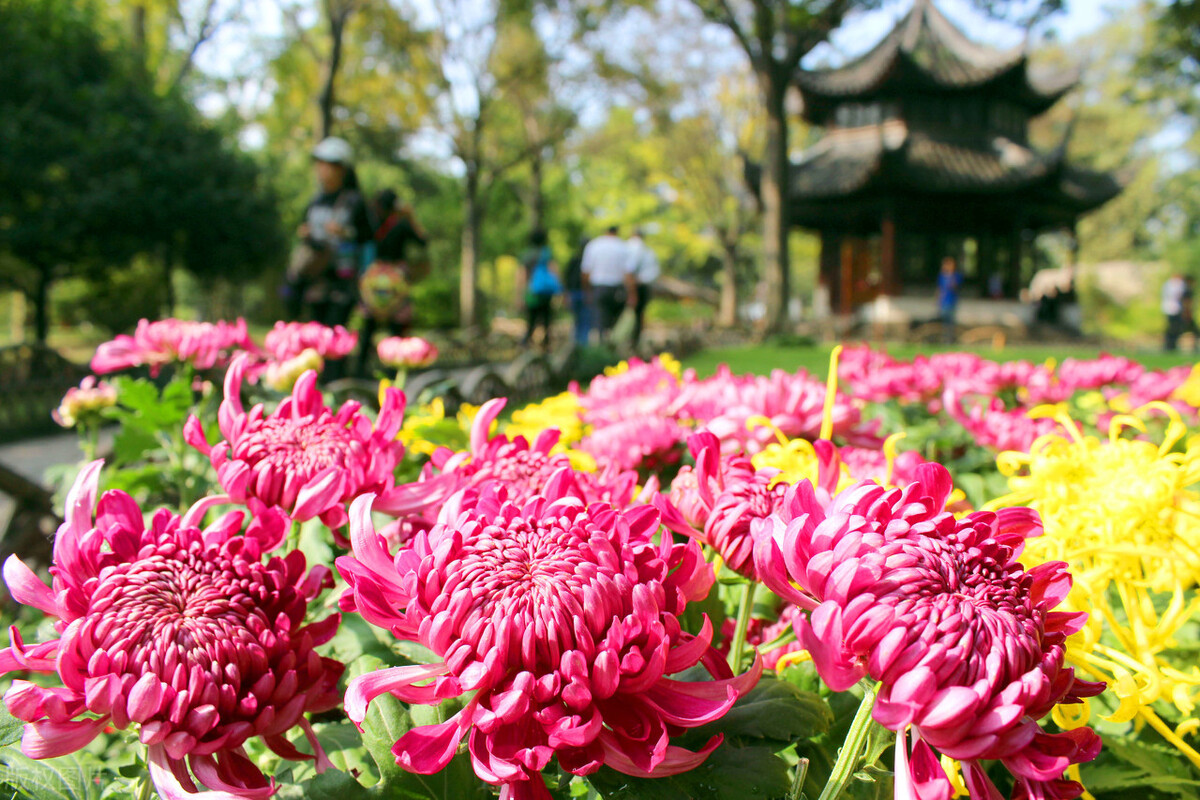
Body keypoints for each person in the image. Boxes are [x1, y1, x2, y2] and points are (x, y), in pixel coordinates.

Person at [290, 137, 374, 327]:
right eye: (319, 164)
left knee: (336, 336)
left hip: (343, 281)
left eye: (327, 164)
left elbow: (369, 235)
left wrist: (346, 232)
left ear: (341, 169)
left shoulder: (355, 201)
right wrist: (306, 234)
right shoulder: (315, 200)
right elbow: (305, 227)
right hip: (316, 280)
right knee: (315, 335)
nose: (321, 169)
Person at [355, 189, 429, 375]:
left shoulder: (371, 222)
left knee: (369, 326)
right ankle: (394, 370)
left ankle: (360, 369)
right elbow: (423, 241)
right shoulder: (402, 224)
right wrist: (410, 216)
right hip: (396, 279)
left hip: (373, 277)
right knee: (396, 328)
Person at [581, 226, 635, 345]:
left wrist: (587, 291)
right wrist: (632, 294)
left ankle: (601, 345)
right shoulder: (623, 247)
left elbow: (585, 272)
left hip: (599, 288)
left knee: (599, 319)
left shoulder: (593, 245)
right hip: (617, 289)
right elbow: (628, 273)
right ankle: (612, 345)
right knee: (614, 322)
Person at [520, 229, 562, 349]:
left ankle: (526, 343)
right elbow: (554, 271)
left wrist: (520, 295)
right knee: (547, 320)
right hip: (546, 293)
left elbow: (522, 276)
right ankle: (546, 345)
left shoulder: (527, 255)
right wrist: (559, 289)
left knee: (531, 320)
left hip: (532, 292)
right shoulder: (547, 253)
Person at [625, 229, 660, 350]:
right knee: (637, 316)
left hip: (633, 285)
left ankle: (630, 342)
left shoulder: (630, 246)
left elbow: (629, 270)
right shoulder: (645, 250)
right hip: (639, 285)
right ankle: (633, 342)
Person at [563, 237, 591, 346]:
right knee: (583, 320)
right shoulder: (584, 261)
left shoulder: (574, 259)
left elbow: (566, 278)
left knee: (578, 319)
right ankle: (580, 343)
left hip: (575, 293)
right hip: (581, 293)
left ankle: (577, 343)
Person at [936, 255, 961, 343]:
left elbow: (955, 286)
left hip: (952, 302)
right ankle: (943, 339)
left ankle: (950, 340)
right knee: (943, 322)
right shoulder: (941, 276)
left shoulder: (956, 276)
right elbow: (939, 289)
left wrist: (950, 275)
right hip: (943, 302)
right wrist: (938, 300)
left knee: (950, 322)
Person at [1163, 272, 1187, 351]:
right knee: (1173, 328)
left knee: (1174, 328)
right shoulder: (1175, 285)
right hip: (1173, 308)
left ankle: (1171, 345)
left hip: (1173, 308)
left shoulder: (1168, 284)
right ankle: (1170, 345)